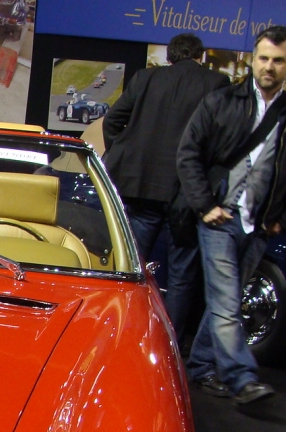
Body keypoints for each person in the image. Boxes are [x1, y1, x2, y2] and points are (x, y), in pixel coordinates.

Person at [176, 25, 286, 404]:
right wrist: (205, 205)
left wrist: (280, 218)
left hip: (260, 225)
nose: (269, 66)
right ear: (253, 60)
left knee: (229, 297)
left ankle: (201, 365)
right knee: (226, 299)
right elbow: (188, 153)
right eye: (264, 58)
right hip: (219, 219)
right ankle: (242, 377)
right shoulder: (222, 101)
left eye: (278, 60)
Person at [102, 33, 229, 338]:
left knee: (132, 269)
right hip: (188, 192)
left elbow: (112, 121)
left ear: (170, 56)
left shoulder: (145, 78)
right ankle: (167, 341)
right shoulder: (217, 83)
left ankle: (125, 335)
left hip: (141, 187)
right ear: (199, 56)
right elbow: (223, 140)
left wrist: (125, 154)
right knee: (182, 274)